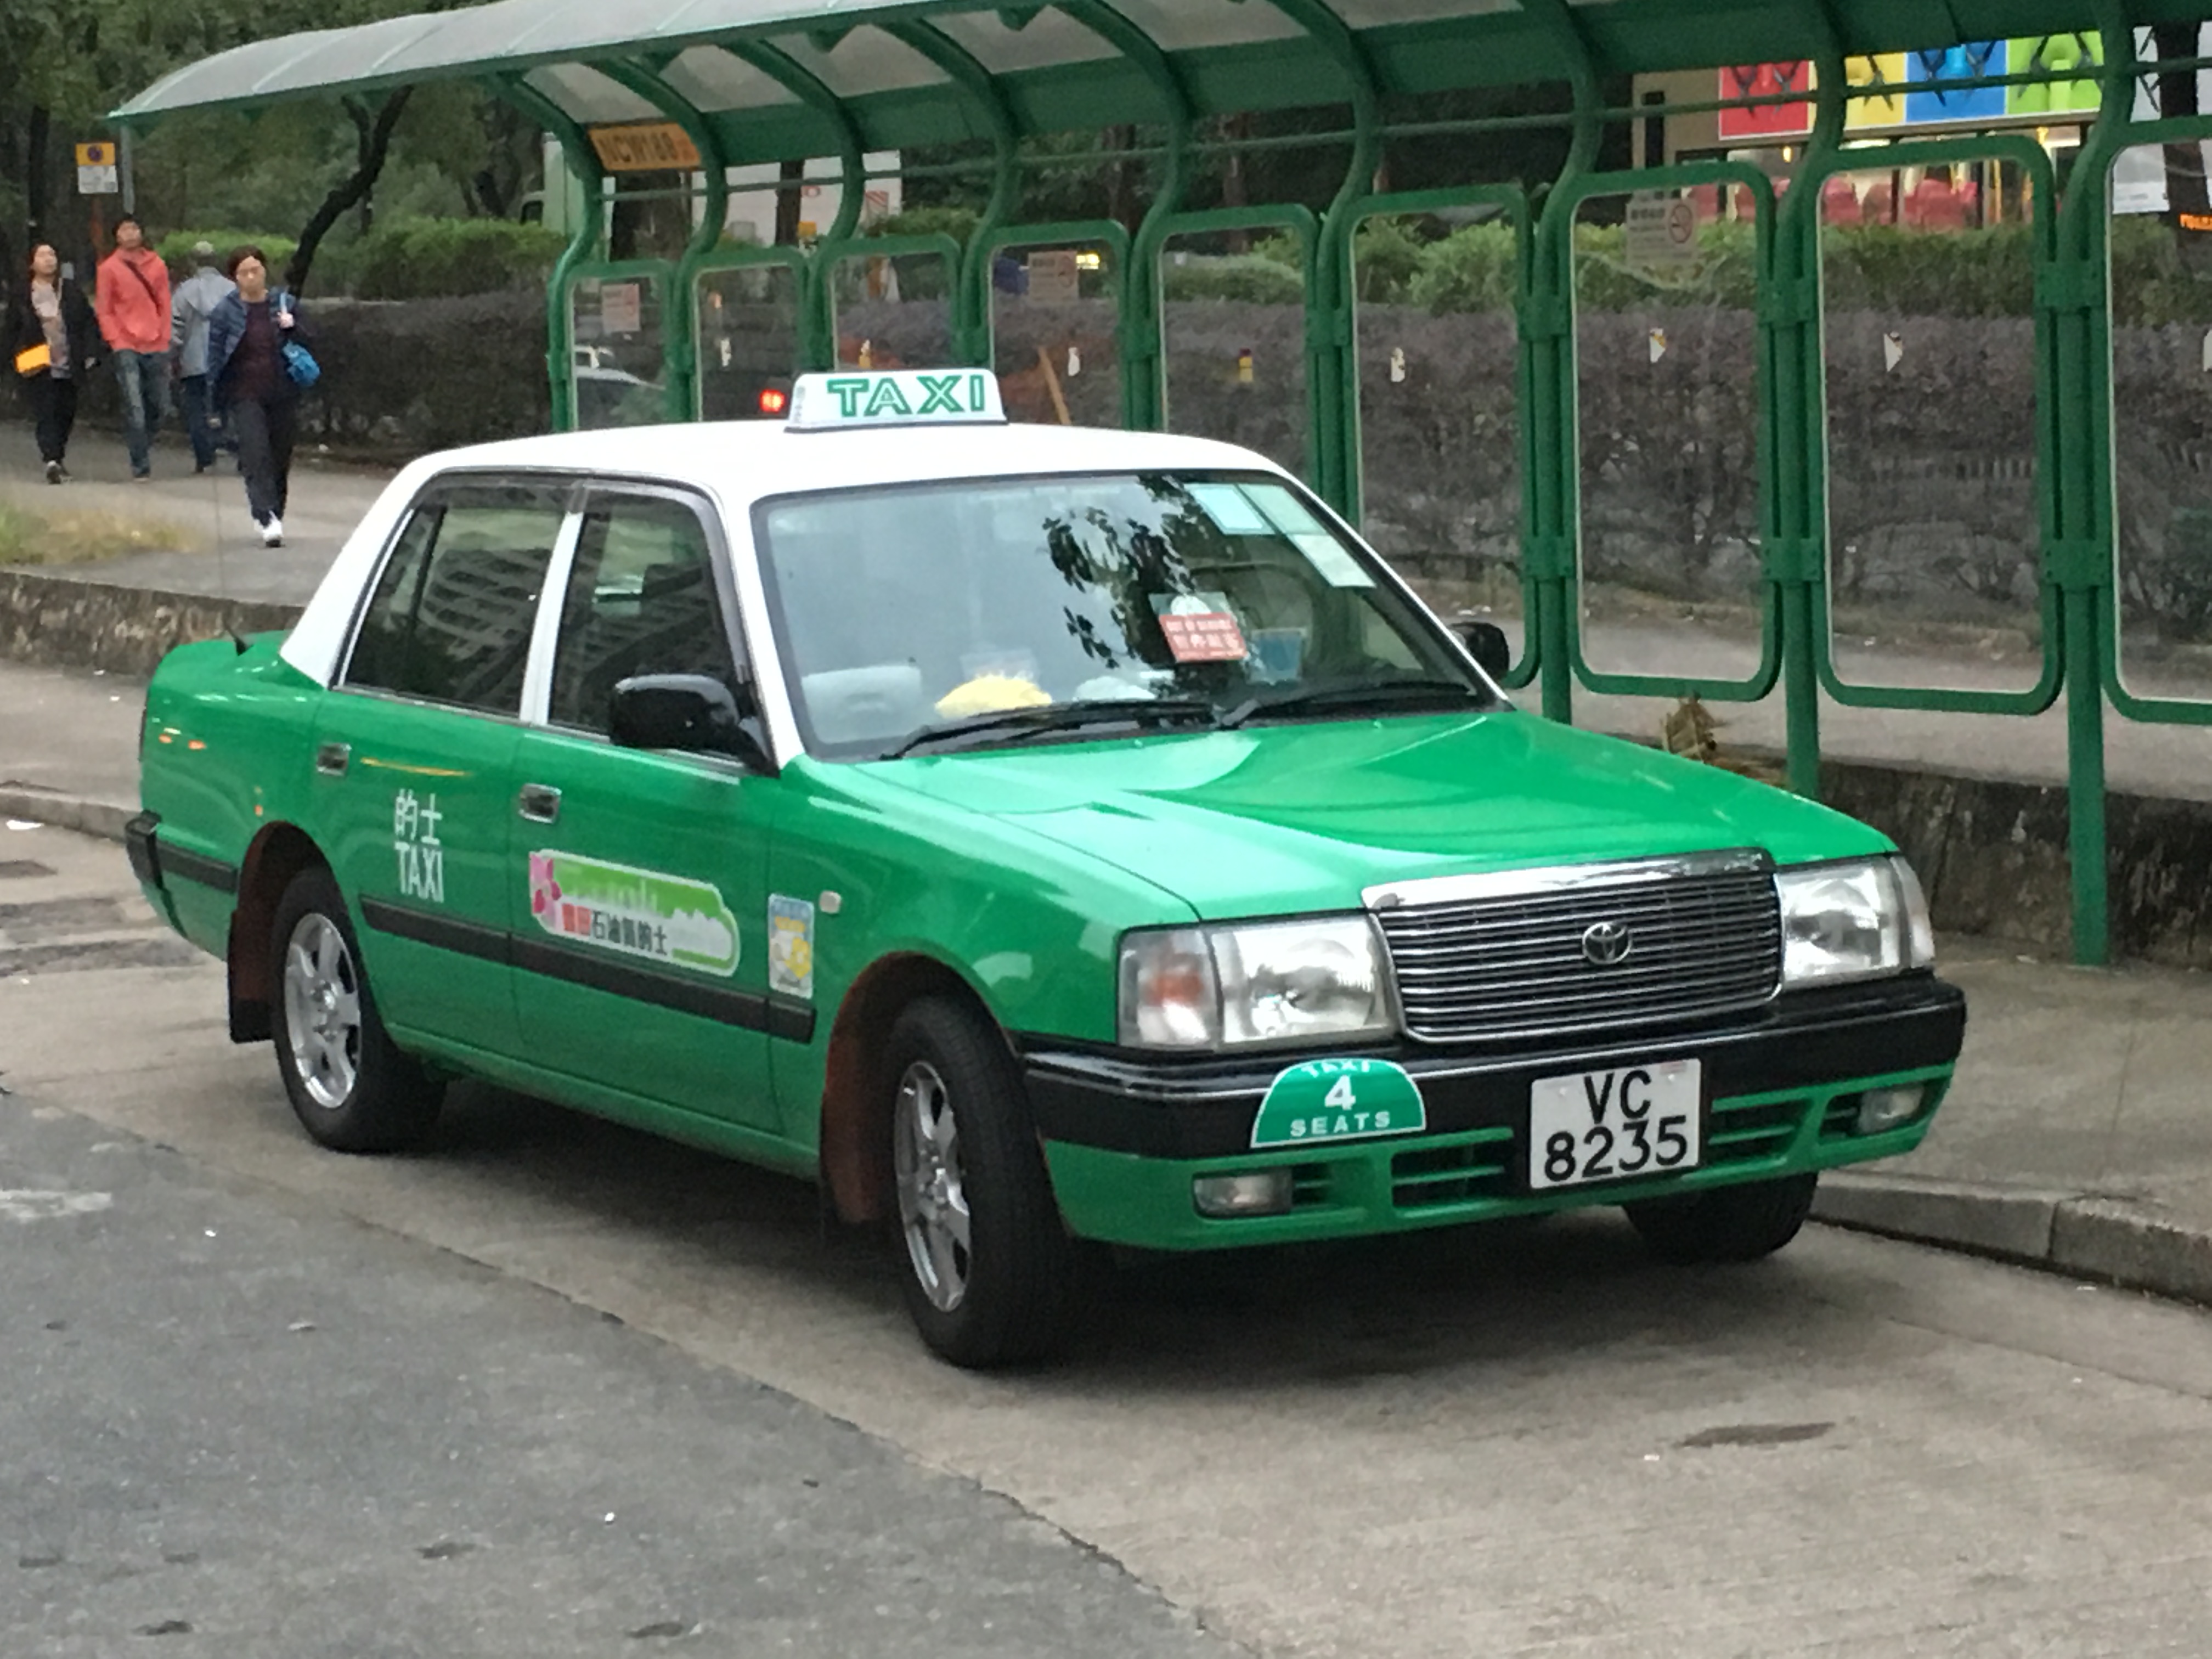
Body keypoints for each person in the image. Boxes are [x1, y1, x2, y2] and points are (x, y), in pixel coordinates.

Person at [204, 247, 308, 548]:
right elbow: (214, 357)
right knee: (255, 454)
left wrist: (294, 326)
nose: (251, 277)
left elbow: (311, 338)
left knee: (280, 455)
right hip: (244, 393)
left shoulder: (284, 303)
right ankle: (265, 516)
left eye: (256, 270)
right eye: (244, 273)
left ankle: (275, 511)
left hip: (282, 390)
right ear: (234, 278)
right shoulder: (225, 312)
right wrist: (214, 401)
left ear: (265, 271)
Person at [9, 244, 100, 483]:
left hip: (69, 361)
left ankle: (58, 457)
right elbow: (11, 329)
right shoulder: (22, 294)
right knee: (46, 411)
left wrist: (91, 352)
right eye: (42, 255)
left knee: (66, 412)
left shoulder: (70, 291)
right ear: (32, 263)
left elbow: (88, 322)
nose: (49, 260)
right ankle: (50, 459)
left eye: (52, 255)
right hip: (38, 363)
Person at [94, 215, 174, 479]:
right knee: (134, 406)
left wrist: (164, 334)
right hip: (126, 343)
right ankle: (140, 463)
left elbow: (165, 303)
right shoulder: (109, 268)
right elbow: (104, 309)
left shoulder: (157, 265)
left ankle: (142, 444)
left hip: (156, 342)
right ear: (117, 236)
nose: (130, 233)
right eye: (124, 229)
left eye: (134, 228)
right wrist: (115, 338)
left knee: (161, 406)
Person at [170, 239, 236, 473]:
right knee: (228, 405)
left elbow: (174, 329)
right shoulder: (230, 289)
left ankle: (204, 458)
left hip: (193, 357)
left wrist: (173, 357)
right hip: (226, 359)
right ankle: (230, 444)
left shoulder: (183, 292)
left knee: (196, 408)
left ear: (193, 262)